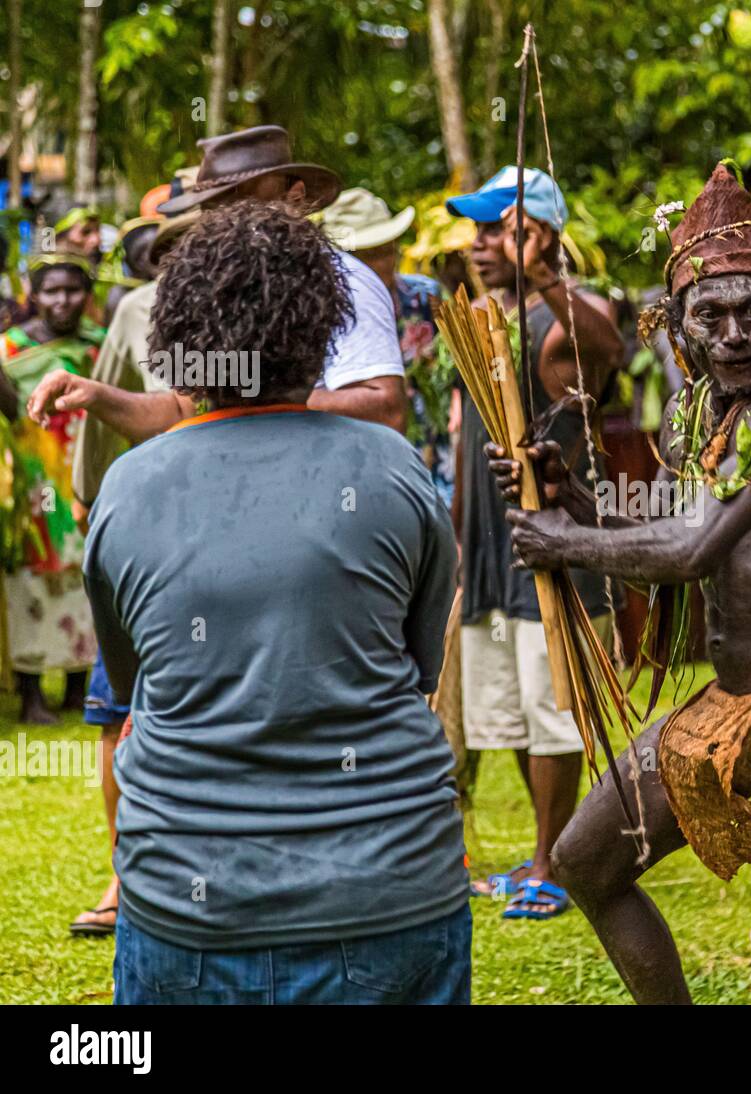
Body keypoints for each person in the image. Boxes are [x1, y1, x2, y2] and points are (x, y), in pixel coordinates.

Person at [85, 200, 466, 1004]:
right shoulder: (395, 471)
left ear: (178, 338)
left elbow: (134, 684)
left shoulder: (130, 488)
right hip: (392, 893)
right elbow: (419, 662)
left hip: (186, 908)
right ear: (322, 330)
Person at [494, 162, 751, 1001]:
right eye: (710, 317)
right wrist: (574, 500)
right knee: (586, 862)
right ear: (679, 330)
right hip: (732, 695)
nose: (731, 334)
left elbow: (692, 548)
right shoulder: (703, 417)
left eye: (750, 313)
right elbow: (676, 540)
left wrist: (569, 540)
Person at [445, 166, 624, 920]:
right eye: (480, 229)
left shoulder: (563, 318)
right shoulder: (487, 315)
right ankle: (544, 852)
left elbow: (604, 343)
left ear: (538, 235)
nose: (481, 243)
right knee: (509, 712)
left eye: (498, 229)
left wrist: (546, 275)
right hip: (487, 545)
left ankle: (554, 861)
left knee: (553, 709)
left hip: (547, 536)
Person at [26, 125, 407, 438]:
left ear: (295, 197)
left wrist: (257, 398)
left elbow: (386, 409)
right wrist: (96, 395)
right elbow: (184, 408)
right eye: (216, 209)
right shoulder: (208, 291)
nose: (230, 221)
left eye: (247, 202)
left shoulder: (344, 278)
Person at [65, 206, 198, 938]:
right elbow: (105, 397)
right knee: (119, 708)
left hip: (234, 535)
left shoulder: (277, 303)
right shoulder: (136, 310)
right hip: (150, 530)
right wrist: (90, 498)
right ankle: (126, 876)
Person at [0, 253, 101, 724]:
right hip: (29, 488)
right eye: (51, 291)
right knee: (30, 584)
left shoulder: (101, 346)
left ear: (89, 295)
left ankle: (80, 689)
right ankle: (32, 694)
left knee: (85, 583)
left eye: (73, 290)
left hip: (85, 482)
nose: (63, 301)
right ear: (33, 297)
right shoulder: (10, 349)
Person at [320, 187, 458, 506]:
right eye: (366, 255)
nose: (380, 264)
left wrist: (455, 403)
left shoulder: (426, 297)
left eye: (385, 251)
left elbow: (460, 366)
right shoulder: (322, 309)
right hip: (359, 455)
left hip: (433, 444)